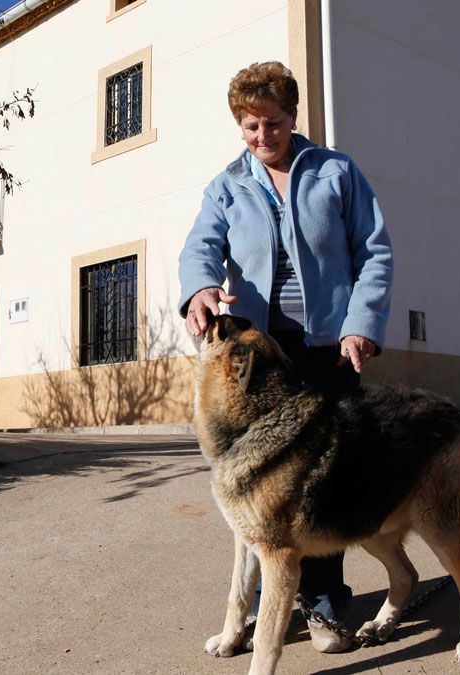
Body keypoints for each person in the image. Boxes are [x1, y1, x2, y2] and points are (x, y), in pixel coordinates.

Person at [177, 61, 393, 653]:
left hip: (328, 346)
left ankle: (322, 605)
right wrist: (199, 288)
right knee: (255, 483)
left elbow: (373, 252)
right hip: (261, 360)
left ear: (292, 117)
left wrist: (361, 324)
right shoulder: (226, 185)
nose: (262, 136)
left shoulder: (336, 173)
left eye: (271, 123)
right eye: (250, 126)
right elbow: (200, 247)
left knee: (318, 481)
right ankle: (248, 607)